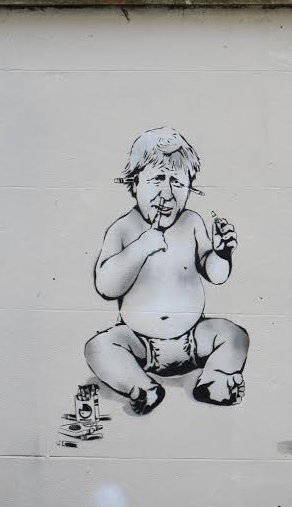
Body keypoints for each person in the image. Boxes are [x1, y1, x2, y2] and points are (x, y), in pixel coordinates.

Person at [85, 127, 248, 415]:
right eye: (158, 179)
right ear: (135, 183)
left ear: (189, 188)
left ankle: (213, 380)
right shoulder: (123, 229)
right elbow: (106, 286)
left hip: (193, 338)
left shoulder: (192, 223)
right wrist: (140, 248)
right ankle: (142, 387)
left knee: (234, 335)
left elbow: (216, 275)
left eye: (177, 182)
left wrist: (222, 253)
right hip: (141, 343)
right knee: (98, 347)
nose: (167, 193)